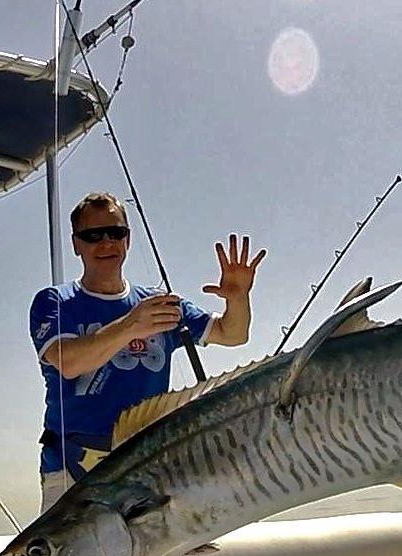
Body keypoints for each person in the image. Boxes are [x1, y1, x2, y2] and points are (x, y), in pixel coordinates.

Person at [29, 192, 265, 512]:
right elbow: (67, 361)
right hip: (73, 468)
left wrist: (238, 298)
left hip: (149, 465)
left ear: (127, 240)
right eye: (92, 235)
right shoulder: (55, 301)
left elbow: (232, 333)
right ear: (76, 244)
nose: (106, 242)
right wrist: (131, 325)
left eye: (116, 232)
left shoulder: (161, 305)